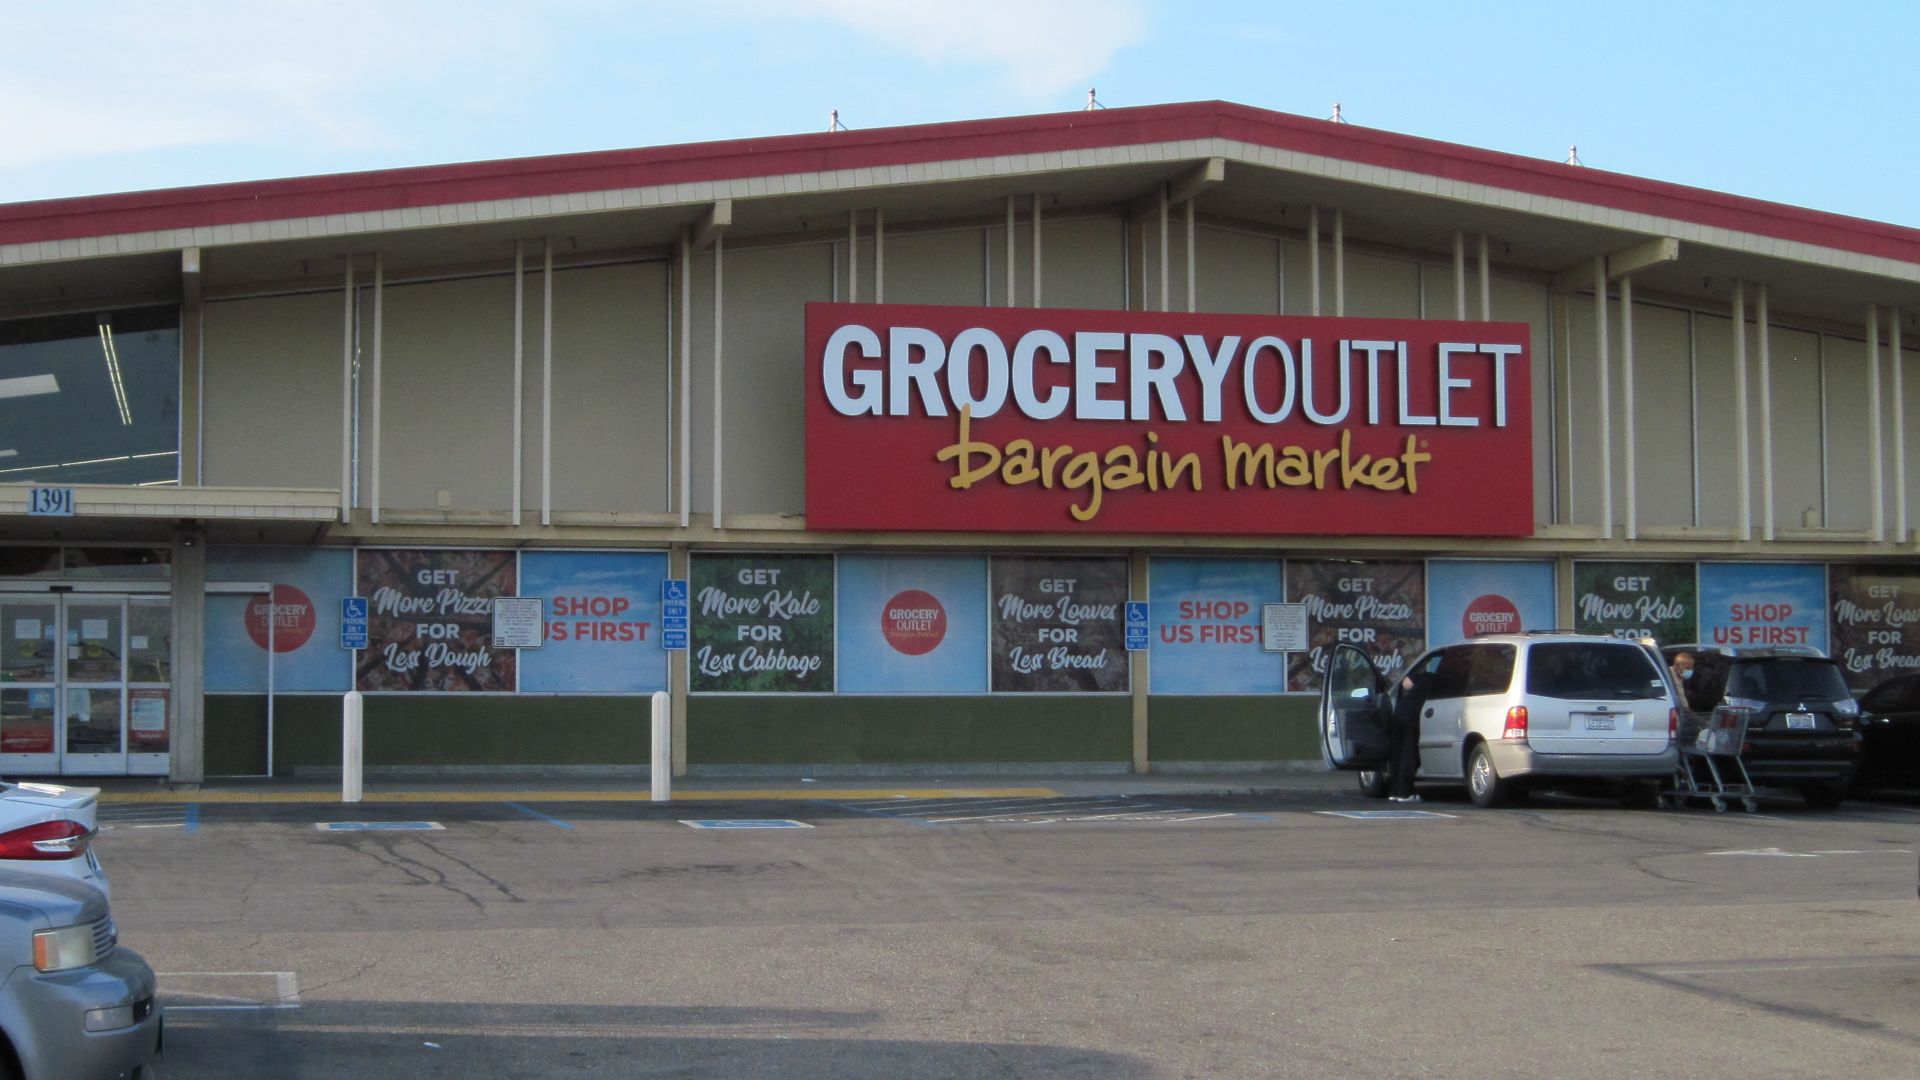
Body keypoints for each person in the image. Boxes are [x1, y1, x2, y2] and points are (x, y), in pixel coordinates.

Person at [1387, 663, 1434, 803]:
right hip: (1411, 717)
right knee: (1408, 754)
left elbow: (1406, 684)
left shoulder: (1414, 678)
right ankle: (1405, 792)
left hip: (1398, 714)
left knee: (1397, 755)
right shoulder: (1430, 678)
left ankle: (1395, 791)